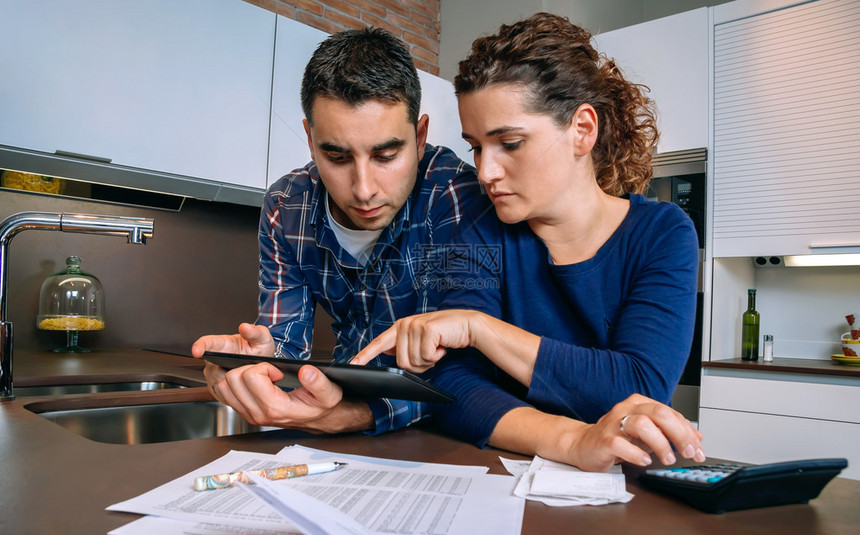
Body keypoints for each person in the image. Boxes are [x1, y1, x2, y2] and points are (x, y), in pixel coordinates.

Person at [352, 13, 704, 471]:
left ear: (582, 130)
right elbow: (452, 386)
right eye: (476, 146)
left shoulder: (663, 233)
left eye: (511, 144)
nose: (485, 172)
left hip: (622, 485)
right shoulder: (477, 223)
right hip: (505, 472)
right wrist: (574, 439)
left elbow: (638, 386)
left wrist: (480, 327)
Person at [191, 27, 483, 435]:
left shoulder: (457, 197)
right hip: (335, 415)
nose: (364, 190)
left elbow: (470, 371)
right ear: (310, 140)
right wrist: (264, 357)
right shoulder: (285, 208)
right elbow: (287, 341)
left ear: (419, 138)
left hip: (437, 433)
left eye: (386, 155)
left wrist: (350, 417)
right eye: (337, 156)